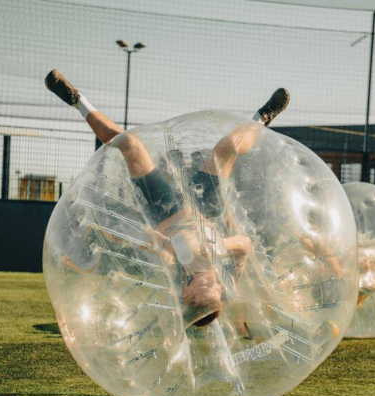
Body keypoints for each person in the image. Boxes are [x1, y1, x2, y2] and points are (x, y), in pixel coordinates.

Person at [45, 70, 290, 327]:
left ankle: (77, 100)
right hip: (206, 208)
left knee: (130, 143)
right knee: (227, 147)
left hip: (165, 209)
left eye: (203, 287)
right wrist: (223, 246)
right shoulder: (225, 285)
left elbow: (143, 240)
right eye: (215, 289)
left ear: (187, 295)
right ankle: (260, 120)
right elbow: (246, 246)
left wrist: (160, 244)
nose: (212, 282)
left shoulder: (175, 272)